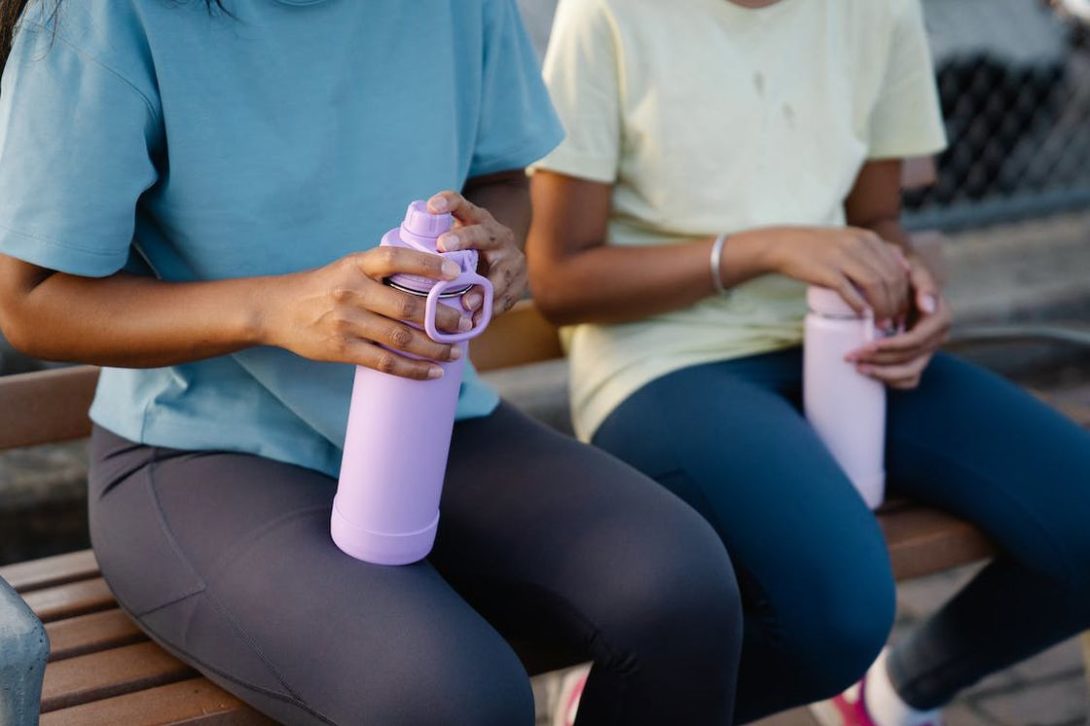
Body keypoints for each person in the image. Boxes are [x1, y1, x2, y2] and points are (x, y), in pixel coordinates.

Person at [0, 1, 746, 723]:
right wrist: (276, 308)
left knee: (682, 592)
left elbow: (501, 180)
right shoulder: (104, 16)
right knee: (456, 701)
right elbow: (29, 299)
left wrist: (493, 246)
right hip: (199, 452)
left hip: (432, 415)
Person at [527, 0, 1090, 724]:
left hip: (844, 337)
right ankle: (611, 703)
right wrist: (760, 247)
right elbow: (561, 281)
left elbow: (876, 221)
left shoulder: (880, 10)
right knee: (838, 612)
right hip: (665, 361)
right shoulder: (608, 13)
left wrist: (910, 286)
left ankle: (892, 695)